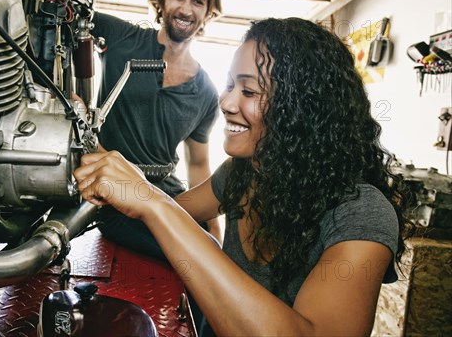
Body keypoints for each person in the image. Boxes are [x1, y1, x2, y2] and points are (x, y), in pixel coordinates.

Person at [74, 17, 413, 336]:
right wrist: (109, 167)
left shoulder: (362, 214)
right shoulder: (246, 172)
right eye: (229, 85)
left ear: (303, 109)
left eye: (249, 92)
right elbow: (177, 214)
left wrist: (152, 202)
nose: (225, 102)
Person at [86, 0, 224, 255]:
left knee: (211, 251)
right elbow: (63, 9)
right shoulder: (122, 38)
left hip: (168, 196)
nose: (187, 9)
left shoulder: (206, 92)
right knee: (193, 254)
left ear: (209, 13)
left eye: (198, 1)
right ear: (161, 1)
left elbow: (198, 165)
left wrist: (214, 231)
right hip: (116, 198)